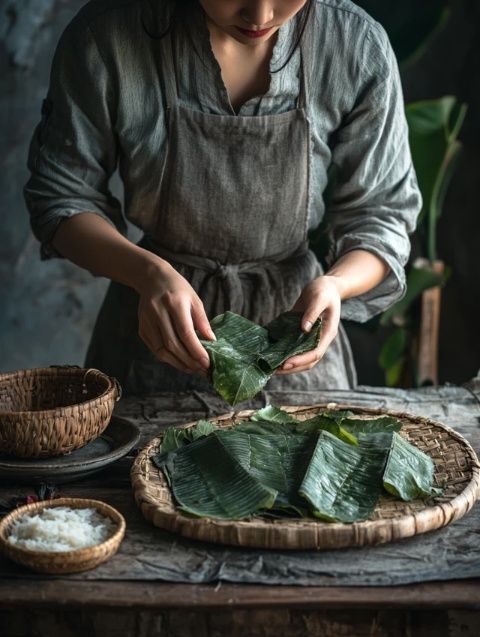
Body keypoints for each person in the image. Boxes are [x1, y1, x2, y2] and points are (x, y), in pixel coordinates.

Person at [24, 0, 422, 396]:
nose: (261, 15)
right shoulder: (107, 35)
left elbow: (382, 215)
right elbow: (62, 195)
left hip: (292, 352)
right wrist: (147, 274)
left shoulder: (355, 42)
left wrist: (335, 285)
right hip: (154, 342)